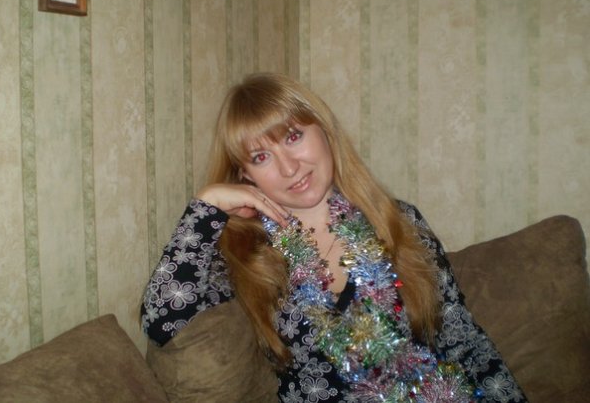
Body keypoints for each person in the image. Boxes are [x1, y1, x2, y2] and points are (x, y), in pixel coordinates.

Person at [141, 73, 527, 402]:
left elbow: (463, 341)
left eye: (293, 137)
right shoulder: (246, 255)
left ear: (324, 131)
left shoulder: (399, 222)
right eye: (261, 157)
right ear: (245, 177)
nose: (289, 168)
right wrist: (206, 206)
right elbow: (162, 320)